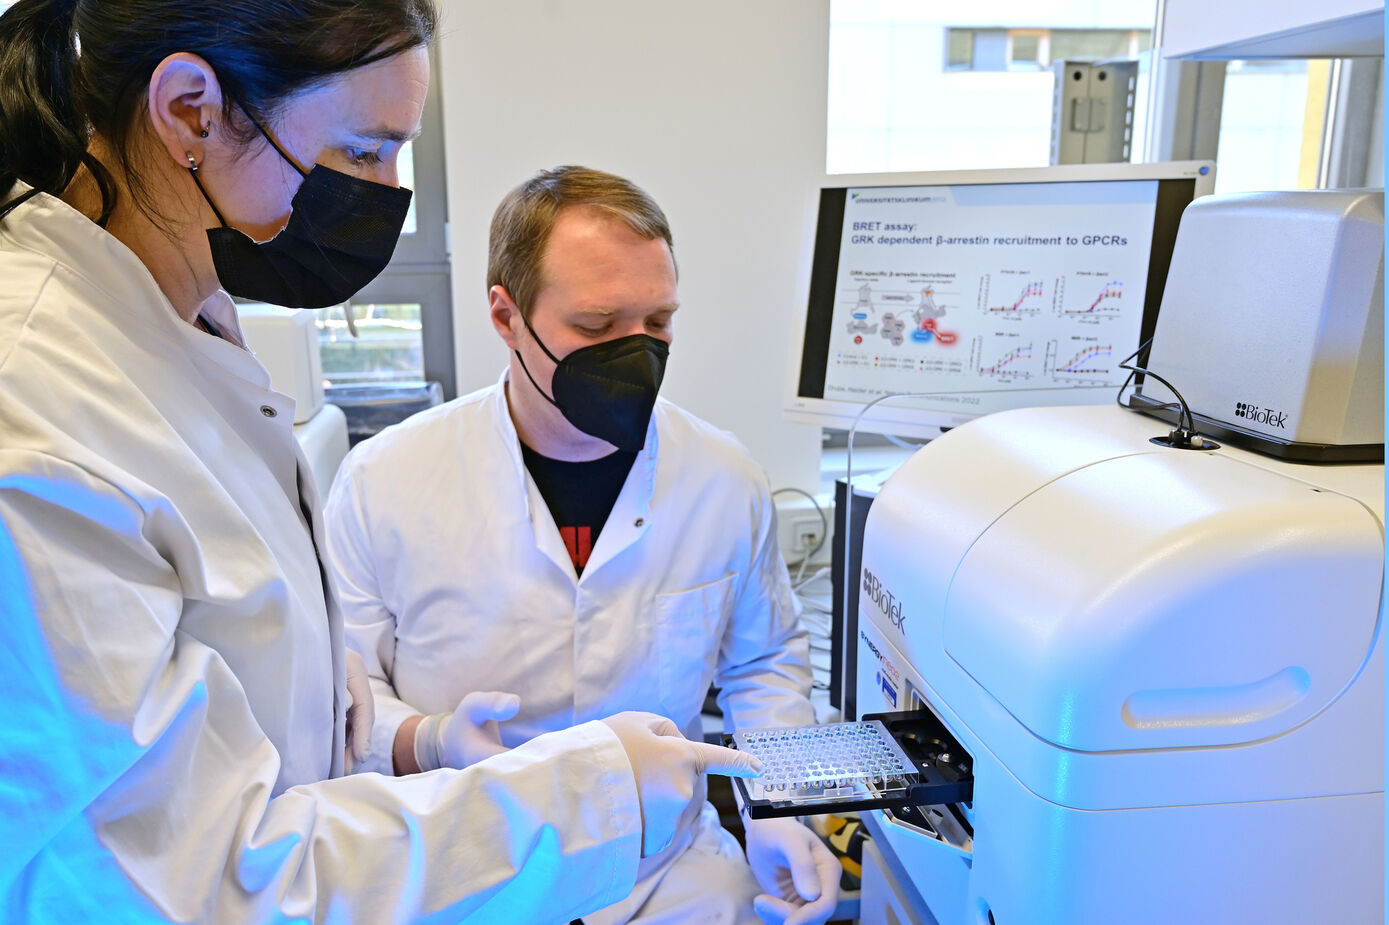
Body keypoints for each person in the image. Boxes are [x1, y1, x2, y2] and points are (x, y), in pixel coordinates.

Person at [0, 3, 761, 921]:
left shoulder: (174, 325)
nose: (387, 199)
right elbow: (201, 884)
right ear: (193, 110)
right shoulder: (37, 408)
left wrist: (333, 687)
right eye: (363, 152)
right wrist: (587, 795)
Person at [322, 166, 842, 925]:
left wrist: (777, 808)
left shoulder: (720, 477)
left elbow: (763, 664)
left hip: (661, 870)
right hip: (461, 871)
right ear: (506, 316)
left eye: (657, 324)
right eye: (597, 328)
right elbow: (342, 696)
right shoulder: (385, 480)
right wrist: (426, 741)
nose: (634, 355)